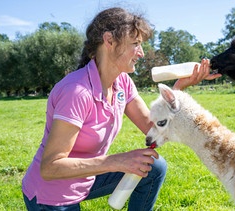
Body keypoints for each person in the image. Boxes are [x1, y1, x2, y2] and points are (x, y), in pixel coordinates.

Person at [21, 7, 221, 211]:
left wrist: (177, 90)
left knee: (153, 167)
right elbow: (50, 167)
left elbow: (154, 129)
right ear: (109, 41)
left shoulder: (122, 83)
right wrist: (117, 161)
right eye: (135, 44)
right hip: (51, 195)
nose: (141, 53)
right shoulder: (77, 91)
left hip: (85, 179)